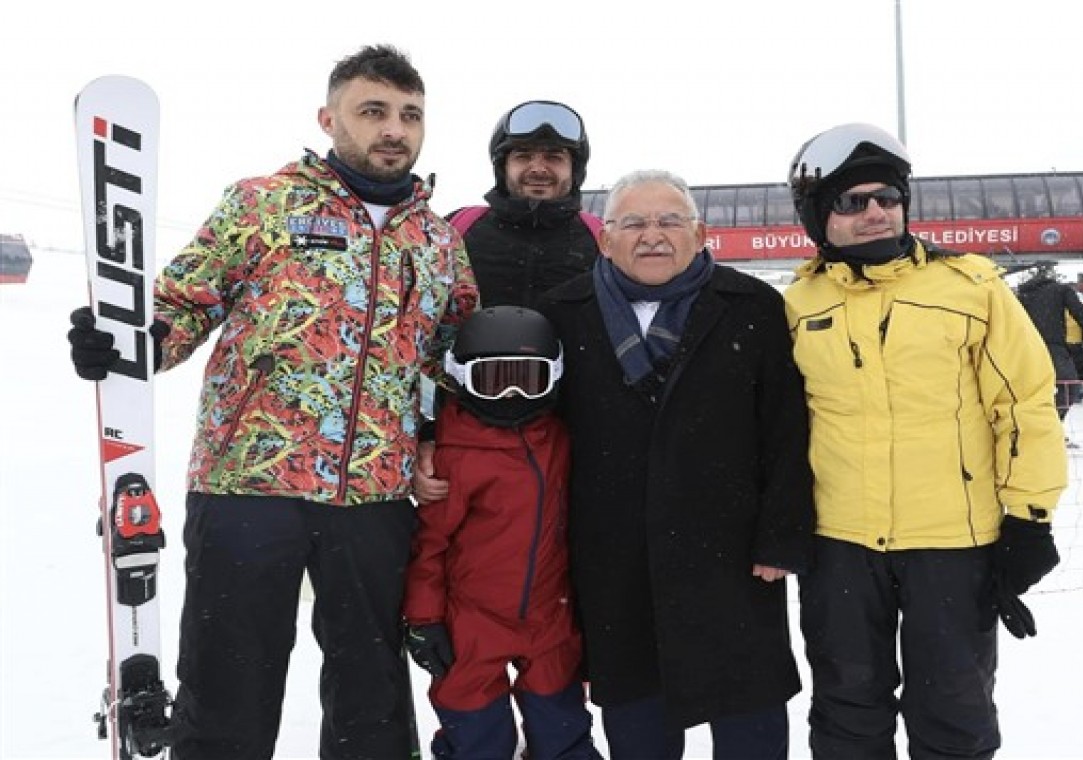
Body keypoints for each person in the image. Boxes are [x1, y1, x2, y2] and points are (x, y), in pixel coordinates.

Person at [67, 45, 478, 759]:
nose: (394, 130)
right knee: (228, 687)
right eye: (373, 111)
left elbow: (451, 356)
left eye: (410, 115)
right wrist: (132, 341)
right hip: (248, 487)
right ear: (329, 118)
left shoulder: (438, 241)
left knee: (371, 699)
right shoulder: (262, 204)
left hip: (376, 497)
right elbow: (182, 305)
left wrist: (439, 437)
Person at [783, 123, 1067, 760]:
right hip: (840, 544)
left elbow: (1022, 405)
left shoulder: (971, 288)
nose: (875, 211)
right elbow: (777, 427)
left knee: (954, 712)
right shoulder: (798, 305)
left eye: (885, 196)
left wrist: (1030, 518)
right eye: (851, 202)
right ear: (817, 216)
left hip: (952, 543)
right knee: (847, 708)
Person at [535, 169, 815, 759]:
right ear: (605, 238)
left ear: (702, 233)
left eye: (670, 221)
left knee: (751, 734)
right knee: (640, 738)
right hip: (615, 564)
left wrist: (782, 536)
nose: (652, 235)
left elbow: (787, 429)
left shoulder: (752, 305)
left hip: (733, 562)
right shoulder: (562, 313)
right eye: (633, 222)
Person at [403, 306, 602, 760]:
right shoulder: (454, 456)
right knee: (477, 737)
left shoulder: (561, 439)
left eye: (527, 379)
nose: (512, 394)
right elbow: (429, 545)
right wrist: (425, 619)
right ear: (461, 379)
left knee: (562, 730)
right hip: (472, 622)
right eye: (494, 380)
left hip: (550, 616)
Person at [449, 100, 602, 308]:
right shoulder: (456, 230)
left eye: (554, 158)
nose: (538, 169)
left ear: (574, 170)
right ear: (503, 168)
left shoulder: (603, 240)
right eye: (523, 156)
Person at [1015, 265, 1083, 419]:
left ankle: (1038, 426)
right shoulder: (1060, 290)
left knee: (1034, 390)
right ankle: (1054, 424)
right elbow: (1080, 313)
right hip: (1054, 347)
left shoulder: (1023, 295)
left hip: (1028, 348)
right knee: (1068, 386)